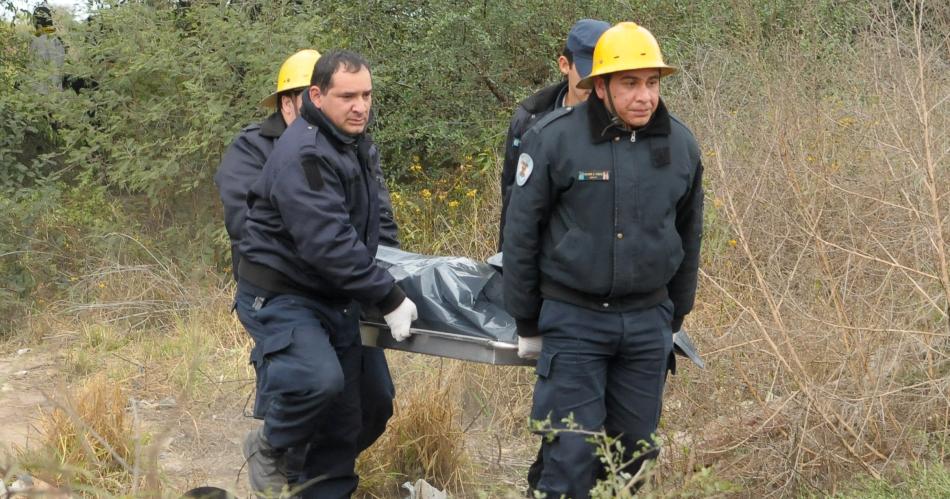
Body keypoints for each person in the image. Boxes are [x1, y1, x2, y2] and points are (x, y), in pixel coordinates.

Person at [503, 22, 703, 498]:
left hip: (646, 323)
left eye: (652, 83)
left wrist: (674, 314)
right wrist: (527, 321)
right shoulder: (554, 139)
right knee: (571, 454)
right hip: (574, 322)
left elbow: (689, 234)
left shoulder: (680, 146)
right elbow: (521, 233)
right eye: (630, 83)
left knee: (634, 458)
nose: (644, 96)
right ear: (602, 86)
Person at [225, 50, 416, 498]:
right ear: (316, 96)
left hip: (336, 296)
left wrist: (383, 279)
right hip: (282, 295)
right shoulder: (304, 152)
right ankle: (269, 444)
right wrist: (387, 296)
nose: (361, 106)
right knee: (316, 380)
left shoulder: (353, 144)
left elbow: (372, 224)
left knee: (344, 420)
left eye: (367, 95)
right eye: (348, 96)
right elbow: (327, 240)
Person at [498, 19, 609, 251]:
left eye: (604, 74)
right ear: (564, 65)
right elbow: (512, 198)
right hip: (541, 263)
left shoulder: (624, 124)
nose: (595, 83)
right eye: (588, 72)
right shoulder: (530, 119)